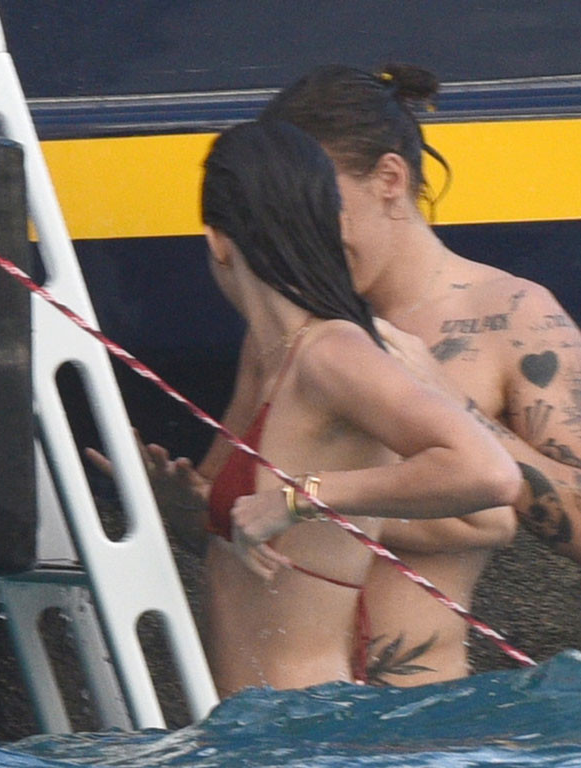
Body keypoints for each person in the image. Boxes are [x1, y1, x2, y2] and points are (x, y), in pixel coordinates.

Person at [93, 119, 520, 698]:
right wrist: (178, 506)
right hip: (254, 726)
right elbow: (250, 546)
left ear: (217, 241)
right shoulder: (267, 353)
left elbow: (490, 475)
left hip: (313, 728)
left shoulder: (332, 354)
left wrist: (300, 497)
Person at [246, 63, 581, 686]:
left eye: (317, 210)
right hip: (298, 714)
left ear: (389, 180)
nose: (301, 240)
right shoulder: (286, 322)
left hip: (427, 714)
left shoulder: (513, 317)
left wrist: (451, 402)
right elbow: (250, 521)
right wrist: (189, 510)